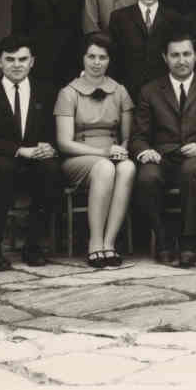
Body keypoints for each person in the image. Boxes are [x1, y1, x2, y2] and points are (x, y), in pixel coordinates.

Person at [0, 35, 63, 270]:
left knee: (50, 169)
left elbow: (55, 131)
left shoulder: (47, 92)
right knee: (2, 169)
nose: (17, 65)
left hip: (35, 165)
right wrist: (19, 150)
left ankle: (33, 246)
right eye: (10, 59)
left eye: (23, 59)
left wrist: (50, 146)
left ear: (32, 62)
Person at [131, 31, 196, 267]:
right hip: (163, 157)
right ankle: (163, 240)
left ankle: (189, 242)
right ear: (165, 57)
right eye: (175, 55)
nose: (181, 60)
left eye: (186, 54)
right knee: (147, 176)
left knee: (192, 170)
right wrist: (145, 151)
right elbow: (138, 137)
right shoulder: (150, 90)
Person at [54, 34, 136, 267]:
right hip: (79, 157)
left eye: (102, 57)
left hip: (112, 154)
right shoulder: (68, 93)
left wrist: (122, 150)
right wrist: (103, 153)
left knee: (128, 168)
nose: (96, 62)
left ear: (109, 60)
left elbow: (127, 136)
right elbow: (64, 143)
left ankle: (110, 243)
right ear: (83, 58)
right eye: (91, 56)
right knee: (105, 167)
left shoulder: (119, 91)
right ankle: (95, 242)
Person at [108, 0, 185, 100]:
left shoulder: (174, 18)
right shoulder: (119, 17)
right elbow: (113, 57)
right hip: (128, 89)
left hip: (163, 91)